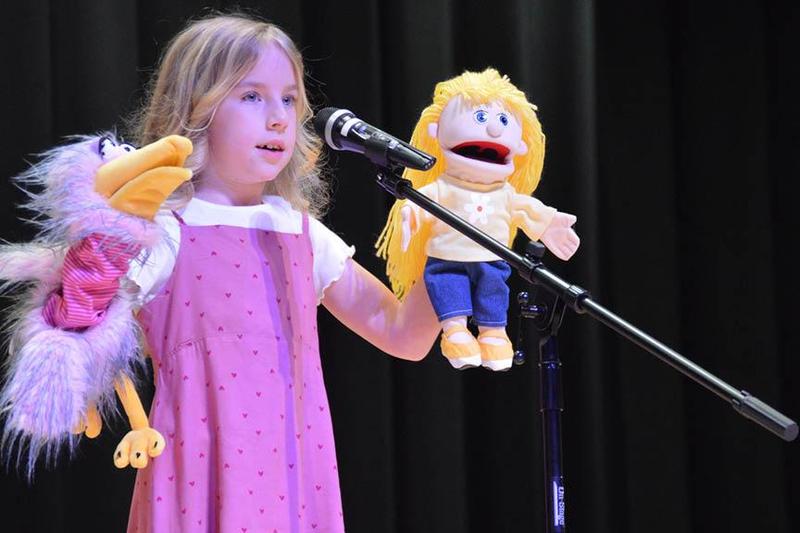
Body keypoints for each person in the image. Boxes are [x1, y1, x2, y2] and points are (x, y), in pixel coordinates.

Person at [6, 12, 440, 532]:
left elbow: (404, 334)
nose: (279, 117)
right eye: (251, 96)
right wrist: (102, 240)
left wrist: (453, 253)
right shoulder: (165, 231)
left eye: (289, 98)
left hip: (296, 486)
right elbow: (75, 320)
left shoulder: (300, 233)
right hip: (197, 485)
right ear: (197, 107)